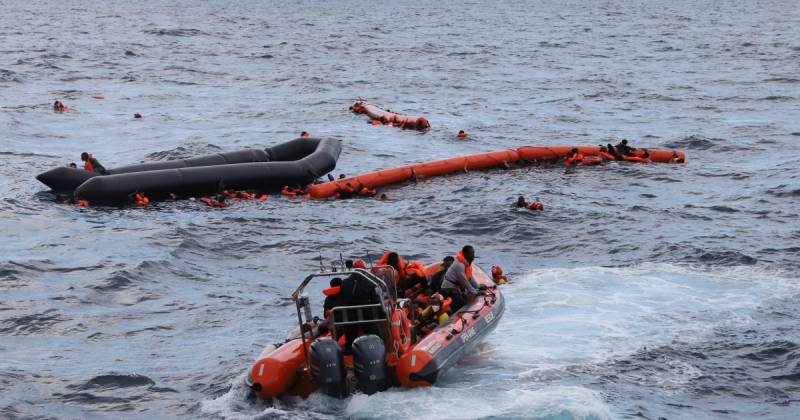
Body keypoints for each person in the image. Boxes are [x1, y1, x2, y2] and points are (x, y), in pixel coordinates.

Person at [440, 245, 480, 311]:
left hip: (455, 288)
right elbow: (464, 281)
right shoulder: (459, 265)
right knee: (462, 305)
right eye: (471, 253)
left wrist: (477, 287)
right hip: (448, 288)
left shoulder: (466, 264)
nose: (473, 256)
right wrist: (474, 292)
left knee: (461, 300)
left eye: (473, 253)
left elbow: (470, 277)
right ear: (465, 254)